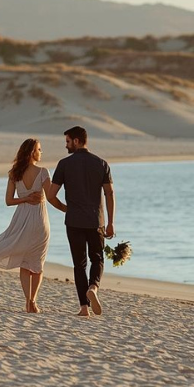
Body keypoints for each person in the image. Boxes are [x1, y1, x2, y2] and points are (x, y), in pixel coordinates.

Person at [0, 138, 57, 313]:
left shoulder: (14, 173)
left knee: (25, 262)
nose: (41, 152)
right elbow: (51, 196)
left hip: (21, 220)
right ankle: (33, 301)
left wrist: (25, 198)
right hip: (39, 220)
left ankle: (28, 300)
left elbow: (9, 201)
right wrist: (68, 207)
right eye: (39, 149)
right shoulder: (43, 172)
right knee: (38, 263)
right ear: (32, 152)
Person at [46, 126, 114, 317]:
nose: (66, 145)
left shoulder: (64, 164)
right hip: (96, 221)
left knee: (79, 264)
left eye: (68, 141)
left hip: (74, 221)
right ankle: (93, 287)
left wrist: (65, 208)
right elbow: (109, 193)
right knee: (97, 259)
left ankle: (84, 308)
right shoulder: (101, 163)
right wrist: (110, 222)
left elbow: (50, 196)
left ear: (76, 141)